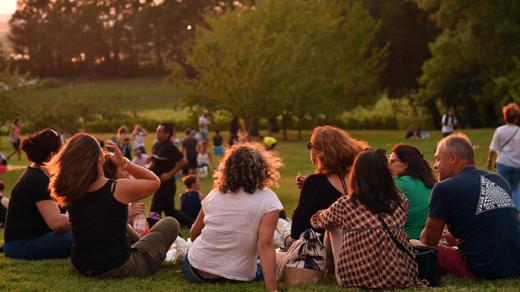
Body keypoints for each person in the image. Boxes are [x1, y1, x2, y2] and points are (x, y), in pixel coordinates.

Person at [47, 133, 180, 278]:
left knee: (118, 225)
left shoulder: (71, 190)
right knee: (170, 223)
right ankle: (150, 251)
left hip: (80, 265)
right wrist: (125, 164)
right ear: (99, 158)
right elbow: (155, 181)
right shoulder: (116, 188)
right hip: (117, 267)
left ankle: (141, 246)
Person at [311, 148, 426, 289]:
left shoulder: (346, 204)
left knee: (332, 226)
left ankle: (327, 270)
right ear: (386, 174)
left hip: (355, 278)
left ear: (356, 174)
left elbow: (317, 222)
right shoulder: (401, 200)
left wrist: (324, 212)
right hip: (400, 275)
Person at [415, 133, 520, 280]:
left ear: (452, 158)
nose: (435, 165)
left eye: (438, 159)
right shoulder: (499, 180)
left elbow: (428, 241)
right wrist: (457, 239)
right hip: (516, 265)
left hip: (482, 269)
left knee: (414, 245)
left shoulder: (444, 188)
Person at [184, 143, 282, 292]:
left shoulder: (214, 194)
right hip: (239, 275)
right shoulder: (269, 199)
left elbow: (193, 234)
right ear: (262, 169)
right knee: (277, 261)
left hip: (197, 270)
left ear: (227, 168)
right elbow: (265, 245)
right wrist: (273, 289)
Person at [3, 128, 72, 260]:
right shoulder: (37, 179)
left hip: (37, 238)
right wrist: (86, 217)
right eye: (63, 150)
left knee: (85, 231)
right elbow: (56, 222)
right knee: (82, 233)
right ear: (52, 155)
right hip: (22, 246)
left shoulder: (43, 174)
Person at [290, 126, 367, 242]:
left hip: (323, 252)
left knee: (284, 237)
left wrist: (309, 189)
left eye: (310, 145)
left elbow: (296, 231)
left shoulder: (314, 183)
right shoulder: (362, 178)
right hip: (360, 245)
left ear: (320, 150)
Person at [149, 123, 192, 227]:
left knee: (154, 213)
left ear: (167, 134)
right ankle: (192, 225)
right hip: (158, 184)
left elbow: (183, 161)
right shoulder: (157, 145)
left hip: (166, 186)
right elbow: (153, 163)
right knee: (170, 212)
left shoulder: (170, 147)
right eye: (157, 131)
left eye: (159, 131)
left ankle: (157, 228)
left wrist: (169, 173)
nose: (157, 133)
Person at [388, 144, 436, 239]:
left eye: (392, 161)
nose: (388, 165)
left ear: (405, 164)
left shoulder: (400, 183)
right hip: (429, 240)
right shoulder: (429, 182)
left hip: (408, 242)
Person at [487, 102, 520, 211]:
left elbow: (492, 148)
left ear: (505, 116)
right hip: (517, 165)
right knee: (515, 188)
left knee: (502, 187)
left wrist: (489, 161)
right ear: (516, 118)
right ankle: (516, 209)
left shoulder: (500, 130)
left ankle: (504, 210)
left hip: (503, 163)